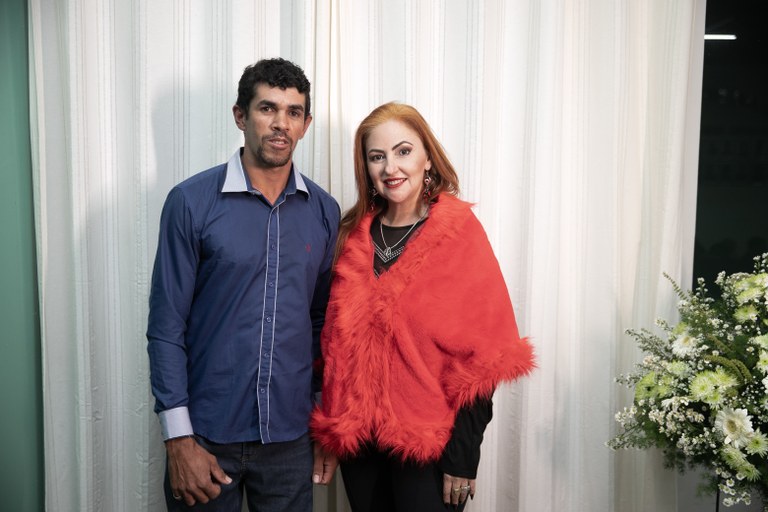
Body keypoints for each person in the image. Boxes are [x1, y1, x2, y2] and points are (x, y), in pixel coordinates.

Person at [310, 102, 535, 511]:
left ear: (427, 157)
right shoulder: (350, 236)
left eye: (403, 151)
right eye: (377, 156)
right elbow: (330, 345)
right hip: (359, 446)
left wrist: (463, 455)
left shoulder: (459, 234)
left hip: (430, 445)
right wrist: (329, 427)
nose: (390, 167)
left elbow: (485, 356)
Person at [147, 57, 340, 511]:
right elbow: (166, 327)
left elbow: (321, 323)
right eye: (267, 108)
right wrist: (178, 439)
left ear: (306, 124)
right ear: (240, 115)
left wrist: (326, 423)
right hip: (206, 436)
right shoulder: (190, 202)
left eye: (293, 112)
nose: (281, 124)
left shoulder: (324, 211)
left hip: (291, 439)